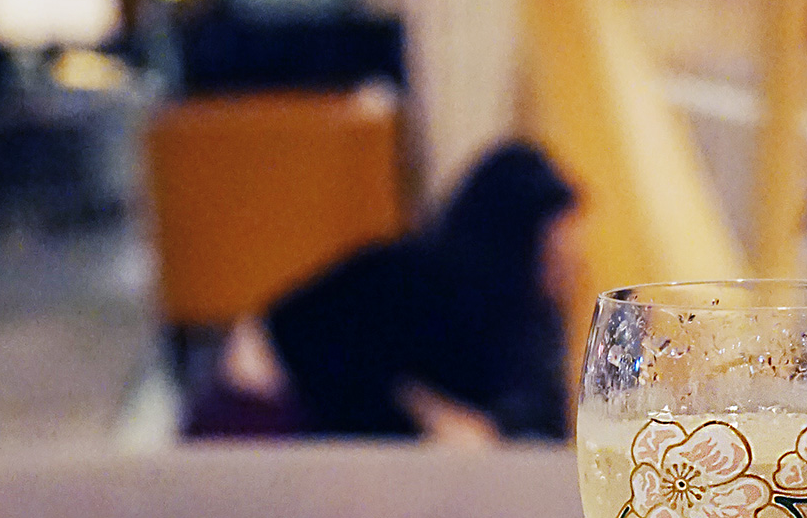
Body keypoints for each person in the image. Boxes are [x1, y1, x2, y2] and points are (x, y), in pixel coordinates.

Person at [185, 139, 583, 443]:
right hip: (265, 407)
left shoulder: (527, 320)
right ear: (516, 243)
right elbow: (327, 362)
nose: (572, 270)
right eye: (555, 256)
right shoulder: (413, 280)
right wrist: (427, 418)